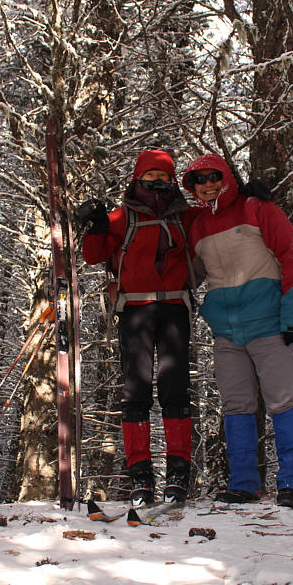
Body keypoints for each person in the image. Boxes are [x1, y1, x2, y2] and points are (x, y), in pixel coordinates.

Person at [181, 153, 293, 509]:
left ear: (226, 177)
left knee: (283, 402)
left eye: (213, 176)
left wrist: (292, 318)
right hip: (226, 332)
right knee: (236, 406)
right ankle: (243, 484)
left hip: (270, 324)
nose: (207, 184)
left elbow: (292, 257)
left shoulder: (258, 209)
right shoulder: (197, 226)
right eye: (198, 180)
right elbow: (190, 274)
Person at [77, 150, 199, 506]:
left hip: (175, 306)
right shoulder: (122, 216)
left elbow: (218, 222)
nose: (158, 183)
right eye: (151, 177)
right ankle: (140, 478)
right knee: (136, 393)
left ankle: (178, 476)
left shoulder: (185, 216)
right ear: (137, 178)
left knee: (176, 391)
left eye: (164, 177)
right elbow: (94, 256)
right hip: (135, 309)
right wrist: (97, 226)